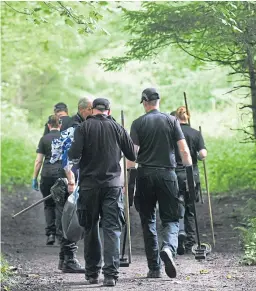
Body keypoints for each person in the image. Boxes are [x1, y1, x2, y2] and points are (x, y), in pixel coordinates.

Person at [67, 98, 136, 287]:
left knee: (90, 228)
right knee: (112, 229)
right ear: (109, 110)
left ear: (92, 110)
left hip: (89, 186)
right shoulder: (117, 128)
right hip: (113, 186)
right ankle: (110, 275)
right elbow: (132, 155)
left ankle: (92, 274)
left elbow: (73, 155)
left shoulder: (83, 128)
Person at [128, 88, 192, 279]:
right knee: (171, 218)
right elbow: (184, 151)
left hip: (145, 175)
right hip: (167, 174)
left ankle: (154, 268)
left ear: (145, 103)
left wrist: (129, 181)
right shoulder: (172, 121)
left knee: (148, 220)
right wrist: (189, 173)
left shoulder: (138, 123)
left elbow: (132, 156)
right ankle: (168, 248)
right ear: (159, 101)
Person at [173, 106, 207, 255]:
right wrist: (198, 155)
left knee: (175, 206)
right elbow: (203, 154)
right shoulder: (196, 133)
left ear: (175, 118)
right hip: (191, 174)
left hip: (174, 174)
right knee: (190, 209)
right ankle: (191, 242)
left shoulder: (172, 133)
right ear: (188, 117)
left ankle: (178, 233)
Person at [32, 115, 65, 245]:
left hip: (46, 175)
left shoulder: (44, 139)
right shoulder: (64, 138)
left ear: (49, 125)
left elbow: (38, 160)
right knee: (61, 205)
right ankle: (61, 235)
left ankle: (50, 234)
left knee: (48, 204)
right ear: (60, 125)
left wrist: (34, 177)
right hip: (61, 176)